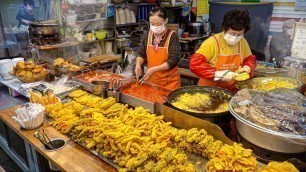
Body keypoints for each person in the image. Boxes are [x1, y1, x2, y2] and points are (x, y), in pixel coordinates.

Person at [189, 9, 256, 92]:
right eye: (232, 33)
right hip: (209, 89)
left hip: (233, 89)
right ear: (224, 28)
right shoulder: (211, 42)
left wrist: (248, 67)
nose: (235, 37)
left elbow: (249, 58)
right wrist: (218, 74)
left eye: (239, 34)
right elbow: (195, 64)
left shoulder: (242, 41)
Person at [135, 7, 181, 90]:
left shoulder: (172, 36)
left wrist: (154, 69)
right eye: (152, 24)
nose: (155, 27)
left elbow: (173, 60)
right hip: (152, 80)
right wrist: (138, 64)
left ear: (165, 21)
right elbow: (141, 54)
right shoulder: (147, 35)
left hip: (169, 82)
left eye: (158, 24)